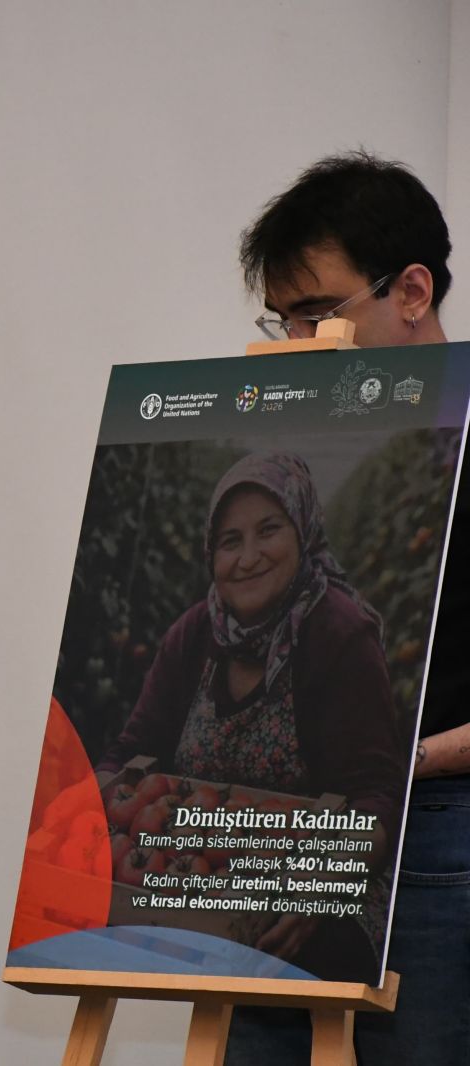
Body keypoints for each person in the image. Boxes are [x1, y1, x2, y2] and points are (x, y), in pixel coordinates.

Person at [228, 151, 470, 1061]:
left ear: (411, 291)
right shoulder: (287, 460)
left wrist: (407, 763)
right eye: (282, 320)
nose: (300, 343)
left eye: (320, 314)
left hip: (436, 847)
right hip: (288, 838)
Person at [98, 451, 404, 977]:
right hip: (196, 884)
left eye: (268, 531)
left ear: (302, 531)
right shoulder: (193, 635)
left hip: (313, 895)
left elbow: (377, 794)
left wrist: (318, 888)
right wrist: (84, 818)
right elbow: (131, 751)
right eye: (230, 541)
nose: (248, 558)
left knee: (310, 961)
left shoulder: (339, 635)